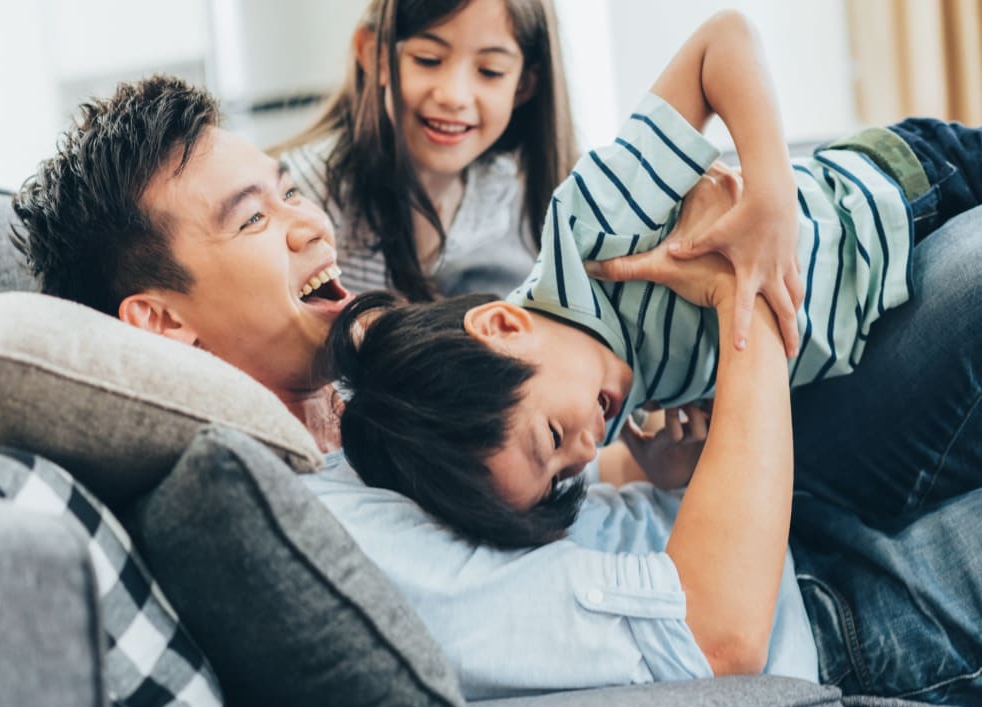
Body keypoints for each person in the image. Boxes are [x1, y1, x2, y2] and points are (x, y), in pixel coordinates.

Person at [9, 12, 982, 707]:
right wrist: (744, 297)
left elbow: (553, 495)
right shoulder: (324, 526)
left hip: (782, 490)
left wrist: (640, 454)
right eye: (256, 218)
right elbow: (716, 629)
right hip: (834, 604)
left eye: (283, 189)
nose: (310, 226)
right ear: (161, 322)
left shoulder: (356, 415)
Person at [328, 9, 982, 542]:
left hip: (902, 197)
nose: (581, 453)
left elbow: (721, 42)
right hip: (870, 332)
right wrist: (666, 468)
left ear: (501, 325)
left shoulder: (591, 227)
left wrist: (772, 195)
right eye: (563, 474)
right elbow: (605, 457)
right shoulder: (588, 403)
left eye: (553, 441)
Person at [273, 0, 577, 301]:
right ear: (374, 55)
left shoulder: (508, 185)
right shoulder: (305, 194)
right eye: (428, 59)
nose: (454, 96)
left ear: (524, 85)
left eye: (491, 71)